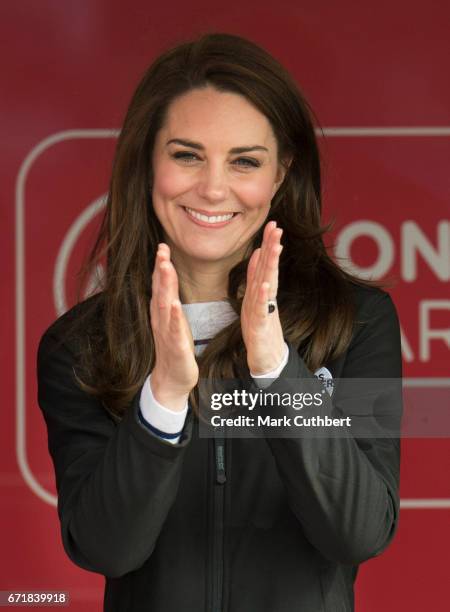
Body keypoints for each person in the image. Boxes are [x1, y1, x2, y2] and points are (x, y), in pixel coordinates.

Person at [37, 32, 403, 612]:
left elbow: (358, 532)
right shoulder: (78, 346)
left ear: (280, 174)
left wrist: (278, 371)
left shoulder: (356, 323)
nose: (212, 187)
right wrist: (163, 398)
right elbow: (108, 549)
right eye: (186, 155)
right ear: (147, 163)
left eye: (245, 162)